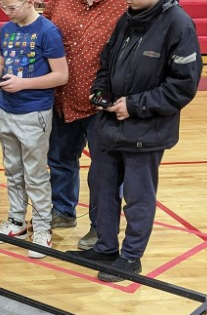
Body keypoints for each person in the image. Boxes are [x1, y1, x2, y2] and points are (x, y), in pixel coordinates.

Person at [69, 0, 202, 282]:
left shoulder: (179, 24)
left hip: (146, 130)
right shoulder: (127, 18)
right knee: (102, 189)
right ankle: (105, 248)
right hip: (110, 126)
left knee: (137, 197)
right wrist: (99, 91)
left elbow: (183, 85)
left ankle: (130, 258)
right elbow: (105, 63)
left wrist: (134, 105)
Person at [0, 0, 68, 259]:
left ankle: (42, 228)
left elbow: (61, 75)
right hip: (7, 109)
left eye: (12, 7)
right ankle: (16, 221)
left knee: (35, 173)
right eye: (2, 7)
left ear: (30, 2)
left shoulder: (47, 31)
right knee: (13, 169)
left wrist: (23, 84)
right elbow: (3, 63)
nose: (7, 12)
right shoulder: (6, 30)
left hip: (34, 112)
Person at [43, 0, 127, 250]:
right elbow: (43, 33)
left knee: (105, 170)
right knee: (60, 158)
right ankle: (63, 210)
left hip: (103, 103)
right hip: (63, 97)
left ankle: (100, 227)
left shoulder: (123, 5)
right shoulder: (58, 1)